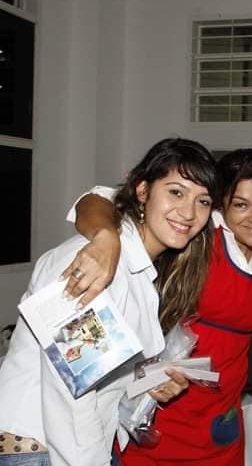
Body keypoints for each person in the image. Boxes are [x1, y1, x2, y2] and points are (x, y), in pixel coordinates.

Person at [0, 138, 220, 466]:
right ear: (143, 191)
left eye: (202, 201)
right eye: (176, 192)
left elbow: (101, 377)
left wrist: (147, 384)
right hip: (38, 450)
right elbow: (71, 394)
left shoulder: (139, 273)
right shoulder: (89, 263)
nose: (189, 212)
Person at [63, 148, 252, 465]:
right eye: (240, 204)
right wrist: (105, 235)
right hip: (161, 414)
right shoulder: (197, 235)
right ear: (220, 205)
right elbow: (99, 198)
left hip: (221, 419)